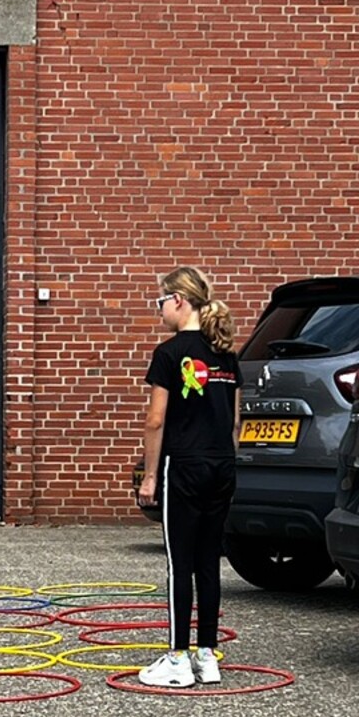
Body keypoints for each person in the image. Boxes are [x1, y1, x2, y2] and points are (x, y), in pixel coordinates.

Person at [136, 266, 242, 687]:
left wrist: (149, 477)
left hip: (183, 465)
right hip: (222, 466)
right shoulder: (227, 355)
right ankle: (207, 656)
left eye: (161, 301)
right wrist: (225, 462)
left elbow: (155, 420)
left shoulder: (169, 353)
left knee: (180, 565)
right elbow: (235, 421)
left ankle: (178, 659)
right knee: (208, 563)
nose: (159, 309)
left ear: (178, 300)